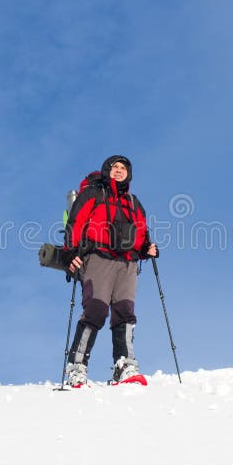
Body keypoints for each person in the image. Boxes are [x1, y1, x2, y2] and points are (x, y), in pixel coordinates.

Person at [61, 155, 159, 387]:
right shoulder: (93, 194)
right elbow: (75, 224)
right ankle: (77, 367)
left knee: (125, 313)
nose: (118, 170)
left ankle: (125, 366)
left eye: (123, 168)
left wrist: (147, 248)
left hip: (128, 263)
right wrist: (69, 253)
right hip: (98, 257)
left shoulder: (134, 202)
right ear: (106, 170)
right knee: (95, 309)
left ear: (129, 173)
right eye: (114, 167)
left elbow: (141, 233)